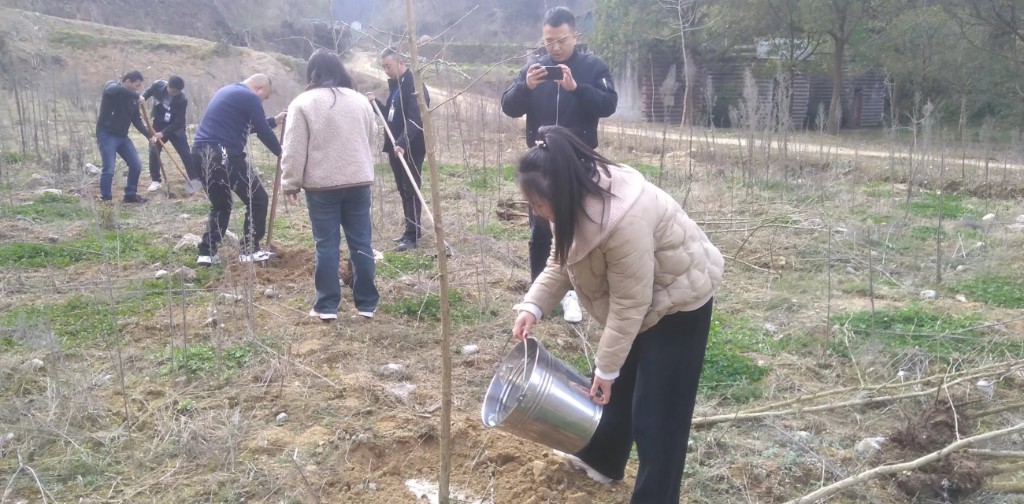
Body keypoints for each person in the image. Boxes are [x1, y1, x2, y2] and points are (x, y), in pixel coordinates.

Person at [511, 126, 724, 503]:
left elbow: (630, 304)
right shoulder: (570, 197)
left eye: (538, 204)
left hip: (679, 300)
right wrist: (534, 305)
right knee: (616, 388)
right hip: (641, 298)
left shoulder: (624, 219)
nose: (535, 211)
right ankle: (605, 457)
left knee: (657, 415)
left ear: (559, 193)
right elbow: (563, 260)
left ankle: (656, 497)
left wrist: (607, 368)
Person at [501, 6, 618, 323]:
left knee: (579, 228)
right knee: (540, 229)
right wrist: (526, 86)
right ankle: (539, 297)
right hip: (540, 161)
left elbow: (609, 104)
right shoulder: (534, 67)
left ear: (574, 36)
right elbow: (508, 105)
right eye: (549, 40)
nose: (554, 47)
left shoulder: (592, 67)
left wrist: (576, 89)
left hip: (578, 160)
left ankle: (575, 294)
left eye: (561, 40)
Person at [281, 49, 380, 322]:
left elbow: (293, 148)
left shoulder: (303, 102)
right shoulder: (360, 101)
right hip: (359, 181)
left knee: (326, 245)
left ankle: (326, 305)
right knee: (361, 242)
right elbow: (371, 136)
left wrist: (290, 182)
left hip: (322, 187)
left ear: (311, 72)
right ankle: (367, 303)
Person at [191, 74, 285, 266]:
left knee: (221, 204)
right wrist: (282, 154)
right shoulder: (250, 97)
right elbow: (262, 132)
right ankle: (250, 250)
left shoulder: (227, 91)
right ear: (259, 88)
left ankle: (206, 253)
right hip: (222, 152)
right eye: (264, 97)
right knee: (257, 198)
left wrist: (274, 120)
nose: (262, 101)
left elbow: (243, 127)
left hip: (199, 152)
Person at [366, 48, 430, 252]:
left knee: (411, 189)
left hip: (411, 147)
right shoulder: (396, 86)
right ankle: (410, 230)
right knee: (403, 190)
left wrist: (402, 142)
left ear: (401, 62)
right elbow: (390, 117)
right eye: (383, 66)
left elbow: (415, 120)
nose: (385, 70)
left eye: (388, 66)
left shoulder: (414, 86)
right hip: (396, 147)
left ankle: (413, 235)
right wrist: (376, 104)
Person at [95, 70, 150, 203]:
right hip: (107, 134)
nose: (138, 89)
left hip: (122, 136)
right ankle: (106, 199)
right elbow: (114, 89)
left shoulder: (132, 98)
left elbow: (136, 119)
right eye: (137, 85)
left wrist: (149, 135)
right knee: (109, 167)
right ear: (127, 82)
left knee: (136, 164)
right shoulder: (112, 87)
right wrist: (137, 96)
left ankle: (130, 195)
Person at [140, 75, 201, 194]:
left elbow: (179, 122)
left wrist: (163, 133)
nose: (174, 94)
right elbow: (148, 92)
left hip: (175, 129)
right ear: (168, 86)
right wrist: (142, 98)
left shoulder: (182, 100)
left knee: (185, 154)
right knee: (154, 151)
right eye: (172, 91)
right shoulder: (158, 85)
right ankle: (156, 181)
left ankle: (194, 180)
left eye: (177, 92)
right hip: (158, 124)